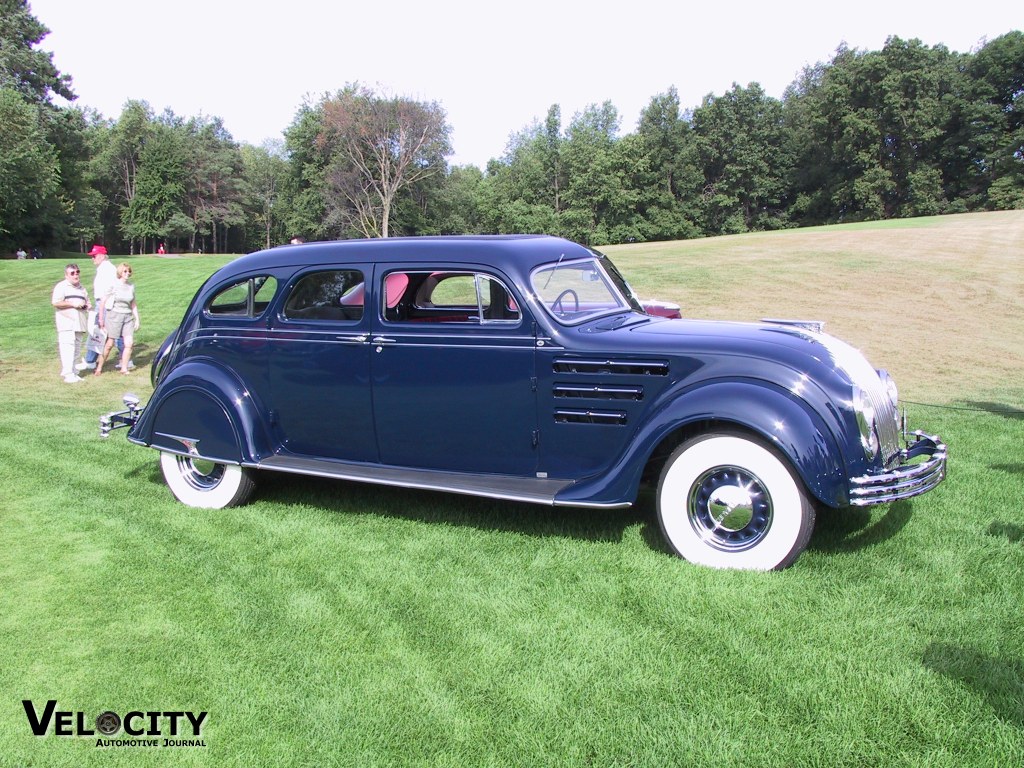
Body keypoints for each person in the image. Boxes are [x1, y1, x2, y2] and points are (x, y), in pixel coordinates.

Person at [78, 244, 129, 371]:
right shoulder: (104, 268)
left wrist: (103, 309)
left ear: (101, 256)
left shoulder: (107, 269)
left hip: (105, 304)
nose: (92, 258)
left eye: (94, 256)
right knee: (105, 333)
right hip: (104, 303)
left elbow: (110, 291)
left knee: (103, 333)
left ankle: (92, 361)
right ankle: (124, 360)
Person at [95, 263, 140, 376]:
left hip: (127, 317)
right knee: (109, 344)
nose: (127, 273)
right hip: (114, 316)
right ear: (120, 272)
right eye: (125, 271)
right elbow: (103, 302)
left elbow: (133, 304)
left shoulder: (131, 287)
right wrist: (101, 320)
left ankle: (124, 368)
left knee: (129, 343)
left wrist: (137, 319)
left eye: (129, 271)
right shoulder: (113, 285)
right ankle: (99, 367)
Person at [51, 264, 91, 383]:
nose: (76, 275)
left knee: (77, 349)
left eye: (77, 272)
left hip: (80, 322)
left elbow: (87, 302)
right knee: (68, 348)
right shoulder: (61, 286)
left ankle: (74, 371)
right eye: (72, 273)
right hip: (66, 322)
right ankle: (68, 374)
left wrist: (87, 306)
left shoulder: (82, 288)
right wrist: (73, 304)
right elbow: (56, 302)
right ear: (66, 275)